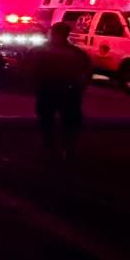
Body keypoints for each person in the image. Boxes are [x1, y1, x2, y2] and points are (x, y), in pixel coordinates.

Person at [26, 21, 91, 160]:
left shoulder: (40, 51)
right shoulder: (76, 53)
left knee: (48, 120)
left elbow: (29, 69)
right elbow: (85, 73)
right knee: (66, 121)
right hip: (65, 92)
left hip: (52, 91)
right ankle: (65, 148)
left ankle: (52, 147)